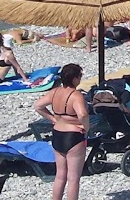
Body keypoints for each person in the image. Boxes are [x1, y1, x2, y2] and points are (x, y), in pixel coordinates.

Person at [34, 63, 88, 200]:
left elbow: (38, 106)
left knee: (60, 175)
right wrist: (86, 128)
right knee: (73, 178)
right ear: (75, 79)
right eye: (80, 76)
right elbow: (82, 115)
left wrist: (52, 118)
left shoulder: (55, 91)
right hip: (73, 135)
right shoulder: (76, 95)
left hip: (58, 133)